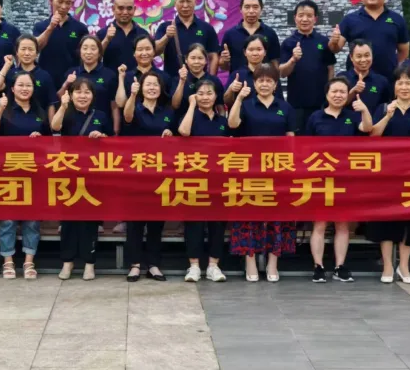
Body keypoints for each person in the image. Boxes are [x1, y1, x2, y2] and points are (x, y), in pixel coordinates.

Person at [227, 64, 296, 282]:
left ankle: (273, 262)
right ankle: (250, 261)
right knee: (249, 215)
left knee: (277, 217)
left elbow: (291, 138)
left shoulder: (285, 107)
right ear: (254, 83)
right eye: (260, 80)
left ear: (275, 85)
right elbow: (232, 124)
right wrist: (239, 98)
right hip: (249, 169)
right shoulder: (246, 105)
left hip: (278, 169)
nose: (264, 84)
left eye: (269, 81)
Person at [304, 77, 373, 284]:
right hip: (320, 178)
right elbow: (305, 148)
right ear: (327, 94)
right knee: (320, 224)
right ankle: (318, 266)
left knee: (343, 225)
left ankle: (340, 266)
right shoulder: (315, 117)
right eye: (334, 91)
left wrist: (364, 110)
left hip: (345, 179)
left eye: (342, 91)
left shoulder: (352, 117)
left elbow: (367, 128)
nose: (338, 95)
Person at [369, 63, 410, 284]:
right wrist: (387, 116)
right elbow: (373, 136)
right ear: (394, 86)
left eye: (409, 83)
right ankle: (388, 265)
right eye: (400, 83)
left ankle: (404, 266)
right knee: (386, 220)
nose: (404, 87)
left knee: (409, 222)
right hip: (386, 175)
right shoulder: (382, 108)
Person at [0, 72, 52, 279]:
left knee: (32, 220)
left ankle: (29, 262)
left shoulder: (40, 112)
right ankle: (8, 261)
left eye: (28, 85)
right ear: (12, 88)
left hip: (33, 172)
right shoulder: (5, 110)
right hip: (7, 171)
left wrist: (40, 138)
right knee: (8, 219)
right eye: (20, 85)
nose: (25, 89)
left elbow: (50, 142)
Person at [51, 78, 111, 281]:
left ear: (93, 96)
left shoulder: (100, 115)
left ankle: (89, 263)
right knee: (68, 221)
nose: (82, 96)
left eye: (87, 92)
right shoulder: (65, 112)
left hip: (93, 174)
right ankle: (67, 262)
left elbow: (112, 141)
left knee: (89, 222)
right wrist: (63, 105)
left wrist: (101, 136)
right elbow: (55, 127)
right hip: (68, 174)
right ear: (71, 94)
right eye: (78, 91)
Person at [122, 71, 175, 281]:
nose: (152, 88)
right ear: (141, 87)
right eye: (148, 84)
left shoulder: (167, 112)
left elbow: (177, 137)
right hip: (136, 172)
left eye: (155, 84)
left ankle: (153, 264)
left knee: (156, 222)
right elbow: (127, 117)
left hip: (160, 173)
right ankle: (134, 264)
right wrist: (132, 95)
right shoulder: (134, 107)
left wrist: (170, 135)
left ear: (161, 88)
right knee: (135, 222)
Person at [177, 80, 231, 283]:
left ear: (216, 96)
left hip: (218, 179)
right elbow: (183, 132)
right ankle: (193, 266)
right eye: (200, 93)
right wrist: (191, 105)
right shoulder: (189, 116)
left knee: (217, 223)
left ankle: (213, 266)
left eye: (209, 93)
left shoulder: (222, 121)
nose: (205, 97)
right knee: (194, 223)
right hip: (194, 178)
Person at [333, 0, 410, 80]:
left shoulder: (397, 19)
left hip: (388, 78)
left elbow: (404, 51)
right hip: (357, 80)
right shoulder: (350, 19)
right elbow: (335, 48)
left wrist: (397, 71)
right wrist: (334, 41)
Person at [280, 0, 337, 133]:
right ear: (295, 18)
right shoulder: (288, 43)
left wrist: (329, 95)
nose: (305, 19)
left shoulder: (324, 41)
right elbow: (282, 73)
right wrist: (293, 59)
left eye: (309, 16)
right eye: (301, 15)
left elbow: (330, 69)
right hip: (296, 103)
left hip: (321, 103)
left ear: (315, 19)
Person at [59, 35, 120, 134]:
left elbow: (114, 105)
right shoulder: (71, 73)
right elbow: (60, 97)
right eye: (85, 48)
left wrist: (116, 130)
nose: (88, 52)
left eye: (93, 48)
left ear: (99, 52)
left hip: (101, 126)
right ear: (80, 51)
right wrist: (66, 84)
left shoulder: (109, 75)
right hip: (73, 127)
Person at [34, 0, 90, 87]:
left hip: (72, 79)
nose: (63, 6)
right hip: (46, 77)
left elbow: (86, 55)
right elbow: (36, 48)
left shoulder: (80, 28)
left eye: (68, 3)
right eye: (60, 2)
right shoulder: (40, 26)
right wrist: (50, 27)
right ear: (51, 0)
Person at [0, 35, 57, 121]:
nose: (27, 53)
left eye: (31, 49)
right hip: (12, 120)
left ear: (37, 53)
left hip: (38, 121)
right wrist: (7, 65)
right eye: (23, 49)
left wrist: (52, 126)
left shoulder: (44, 75)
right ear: (17, 52)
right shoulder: (11, 73)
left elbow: (51, 103)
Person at [155, 0, 219, 76]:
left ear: (195, 3)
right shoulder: (165, 27)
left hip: (199, 81)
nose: (185, 5)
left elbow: (213, 56)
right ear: (175, 3)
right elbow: (155, 51)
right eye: (181, 1)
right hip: (172, 80)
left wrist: (211, 79)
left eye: (188, 1)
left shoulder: (206, 28)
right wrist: (166, 36)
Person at [218, 0, 281, 73]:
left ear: (261, 9)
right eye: (247, 7)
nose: (251, 11)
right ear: (241, 9)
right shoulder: (230, 34)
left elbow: (275, 62)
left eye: (255, 7)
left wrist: (274, 78)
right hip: (238, 80)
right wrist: (225, 60)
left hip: (263, 79)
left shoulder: (270, 33)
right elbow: (224, 67)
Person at [117, 35, 173, 109]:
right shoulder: (127, 76)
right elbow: (120, 104)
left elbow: (170, 105)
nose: (144, 53)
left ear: (154, 52)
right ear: (134, 53)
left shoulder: (164, 77)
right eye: (140, 49)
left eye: (148, 49)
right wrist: (121, 78)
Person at [224, 34, 281, 106]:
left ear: (265, 52)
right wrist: (231, 89)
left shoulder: (272, 74)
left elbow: (280, 102)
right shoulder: (237, 75)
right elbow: (226, 102)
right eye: (251, 50)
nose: (255, 53)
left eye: (259, 49)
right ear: (245, 52)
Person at [97, 0, 148, 71]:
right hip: (111, 78)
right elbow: (95, 58)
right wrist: (107, 39)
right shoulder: (102, 33)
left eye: (129, 8)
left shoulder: (143, 34)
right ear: (113, 9)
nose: (125, 12)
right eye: (121, 8)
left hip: (137, 78)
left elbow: (150, 57)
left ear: (134, 9)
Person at [172, 44, 224, 120]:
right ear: (186, 60)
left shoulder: (214, 80)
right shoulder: (177, 80)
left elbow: (220, 108)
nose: (196, 62)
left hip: (208, 123)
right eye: (193, 58)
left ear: (206, 60)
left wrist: (222, 123)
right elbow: (175, 105)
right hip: (182, 123)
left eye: (200, 58)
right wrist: (182, 81)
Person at [339, 39, 391, 114]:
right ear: (351, 57)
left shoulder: (381, 81)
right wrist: (353, 92)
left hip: (373, 121)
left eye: (367, 55)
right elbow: (335, 105)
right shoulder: (341, 78)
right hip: (347, 121)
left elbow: (385, 108)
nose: (363, 60)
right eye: (359, 56)